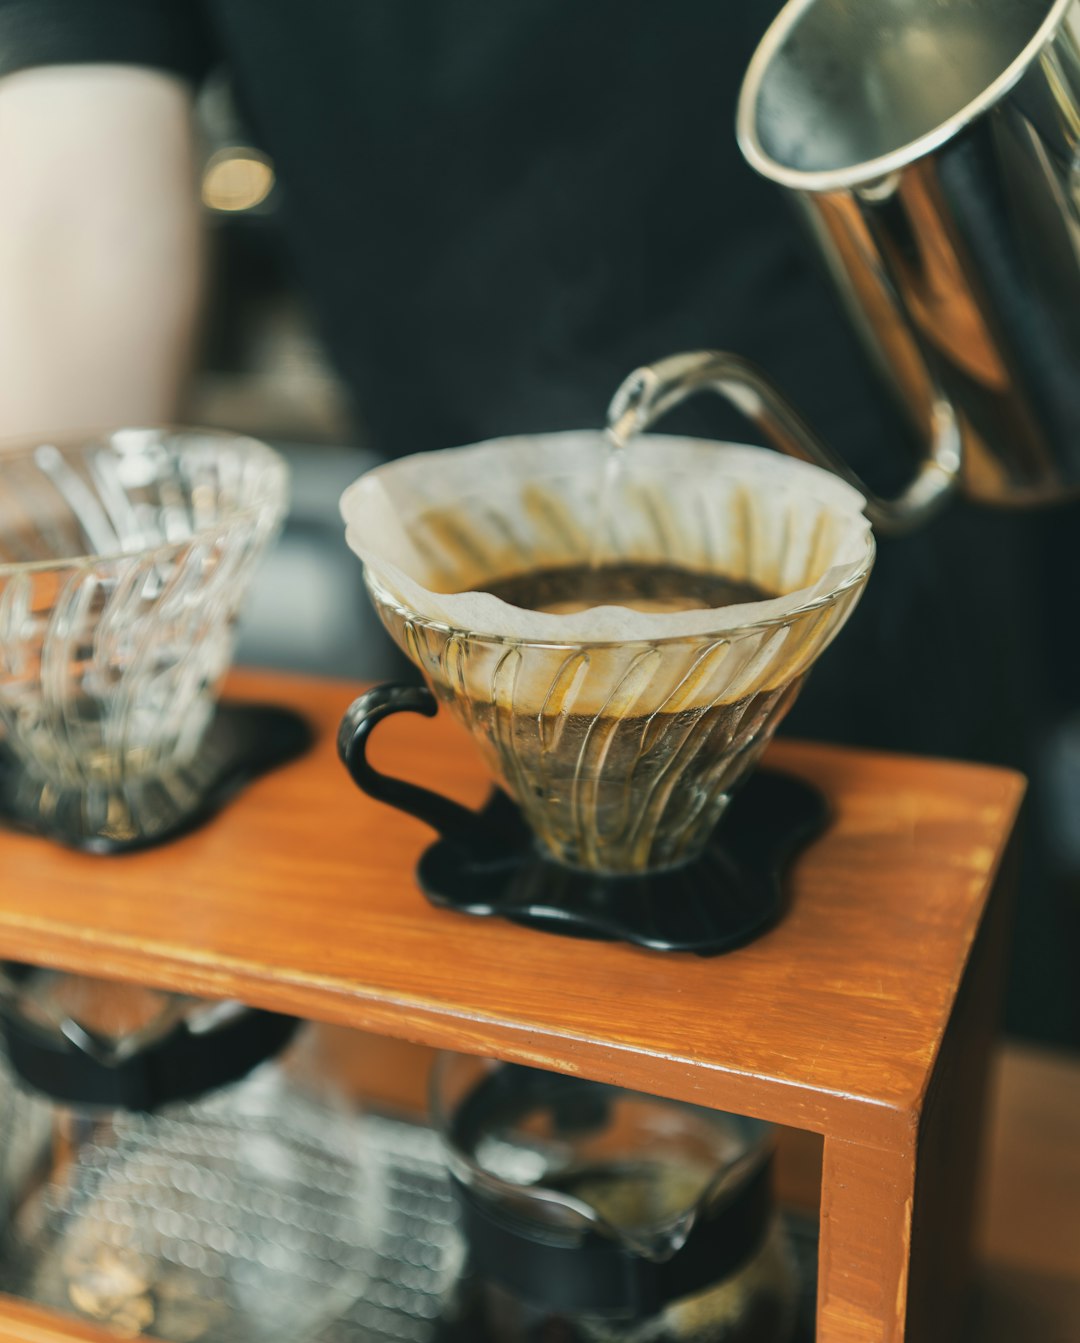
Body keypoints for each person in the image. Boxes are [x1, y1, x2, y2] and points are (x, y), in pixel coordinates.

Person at [0, 0, 1074, 1040]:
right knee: (539, 1042)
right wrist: (40, 589)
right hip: (465, 573)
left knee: (922, 1017)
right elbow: (77, 204)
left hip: (869, 486)